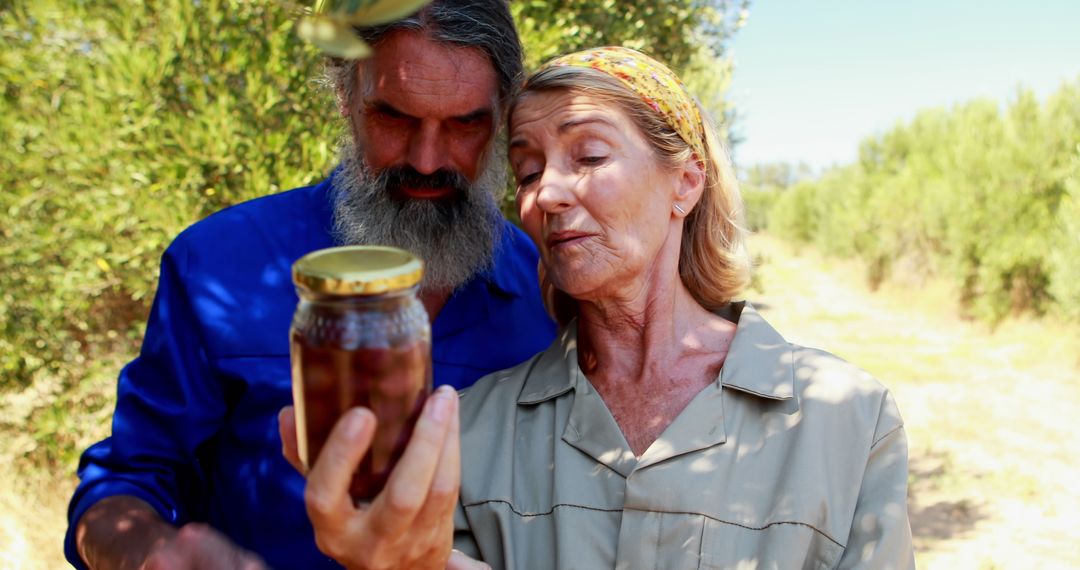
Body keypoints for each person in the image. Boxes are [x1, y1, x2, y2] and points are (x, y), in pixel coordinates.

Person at [284, 46, 915, 568]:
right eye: (527, 173)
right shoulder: (473, 430)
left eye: (588, 156)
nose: (546, 195)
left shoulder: (848, 419)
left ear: (686, 182)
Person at [65, 2, 556, 568]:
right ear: (346, 96)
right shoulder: (218, 266)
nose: (426, 159)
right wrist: (150, 552)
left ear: (505, 112)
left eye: (465, 123)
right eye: (394, 118)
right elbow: (127, 483)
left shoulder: (549, 291)